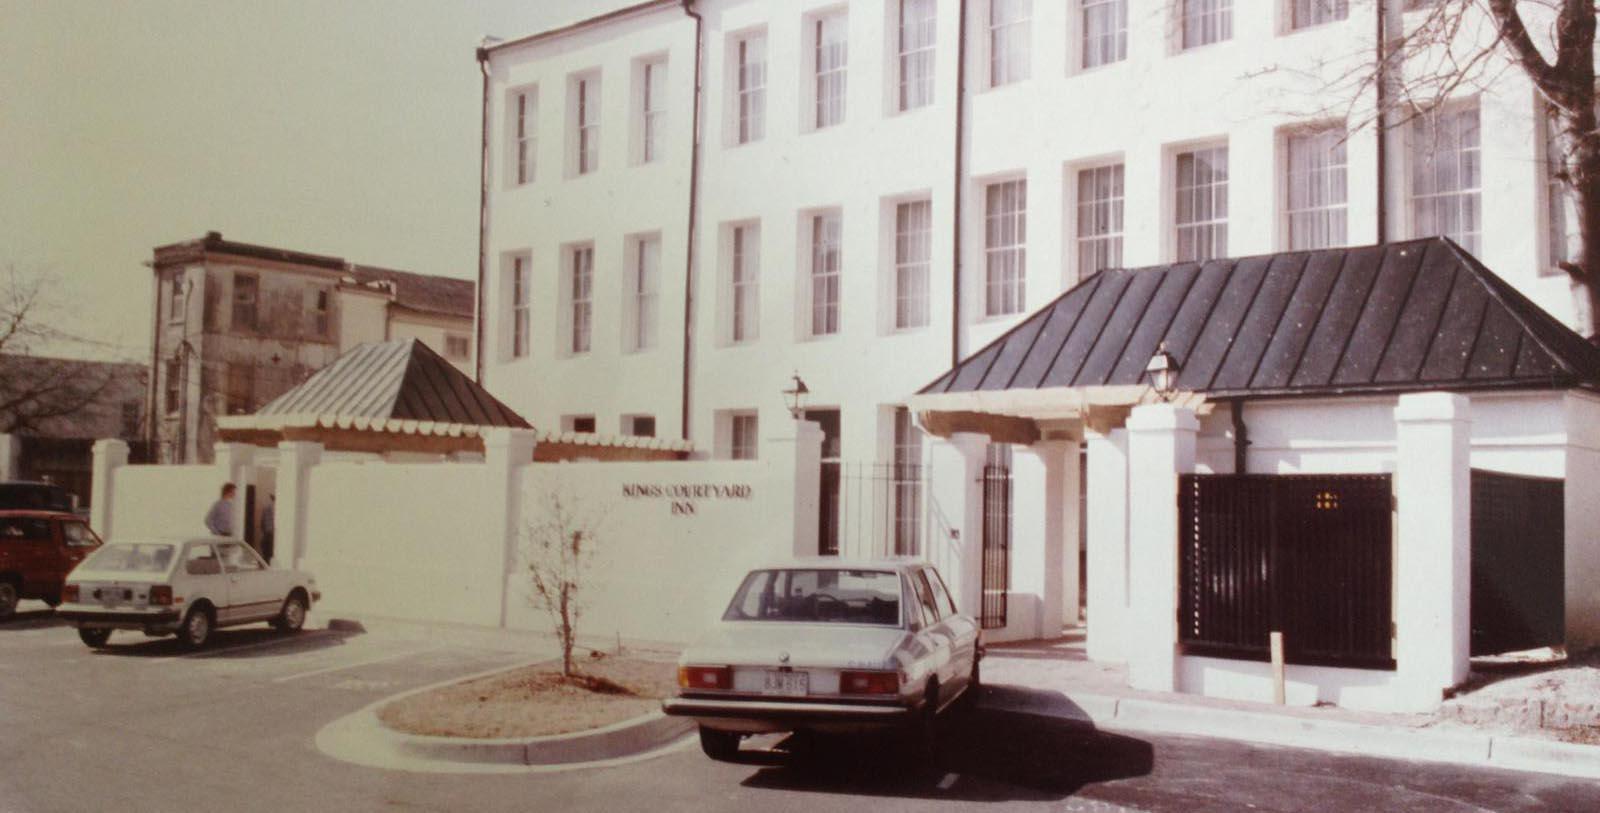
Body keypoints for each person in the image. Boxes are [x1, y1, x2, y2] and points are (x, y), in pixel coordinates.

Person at [260, 494, 275, 565]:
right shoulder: (274, 508)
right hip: (271, 533)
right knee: (269, 553)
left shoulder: (266, 508)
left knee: (266, 553)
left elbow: (262, 522)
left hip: (267, 533)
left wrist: (263, 532)